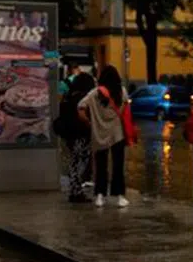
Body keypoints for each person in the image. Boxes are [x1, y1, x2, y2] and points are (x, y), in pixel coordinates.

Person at [78, 65, 136, 208]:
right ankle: (120, 196)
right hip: (117, 134)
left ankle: (100, 195)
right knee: (118, 165)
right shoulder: (121, 91)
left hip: (99, 134)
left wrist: (88, 122)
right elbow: (125, 109)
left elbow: (80, 107)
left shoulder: (94, 93)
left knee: (101, 165)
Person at [58, 68, 97, 202]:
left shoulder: (69, 97)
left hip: (69, 134)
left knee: (74, 161)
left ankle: (74, 190)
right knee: (81, 161)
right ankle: (76, 191)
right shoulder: (85, 100)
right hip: (81, 134)